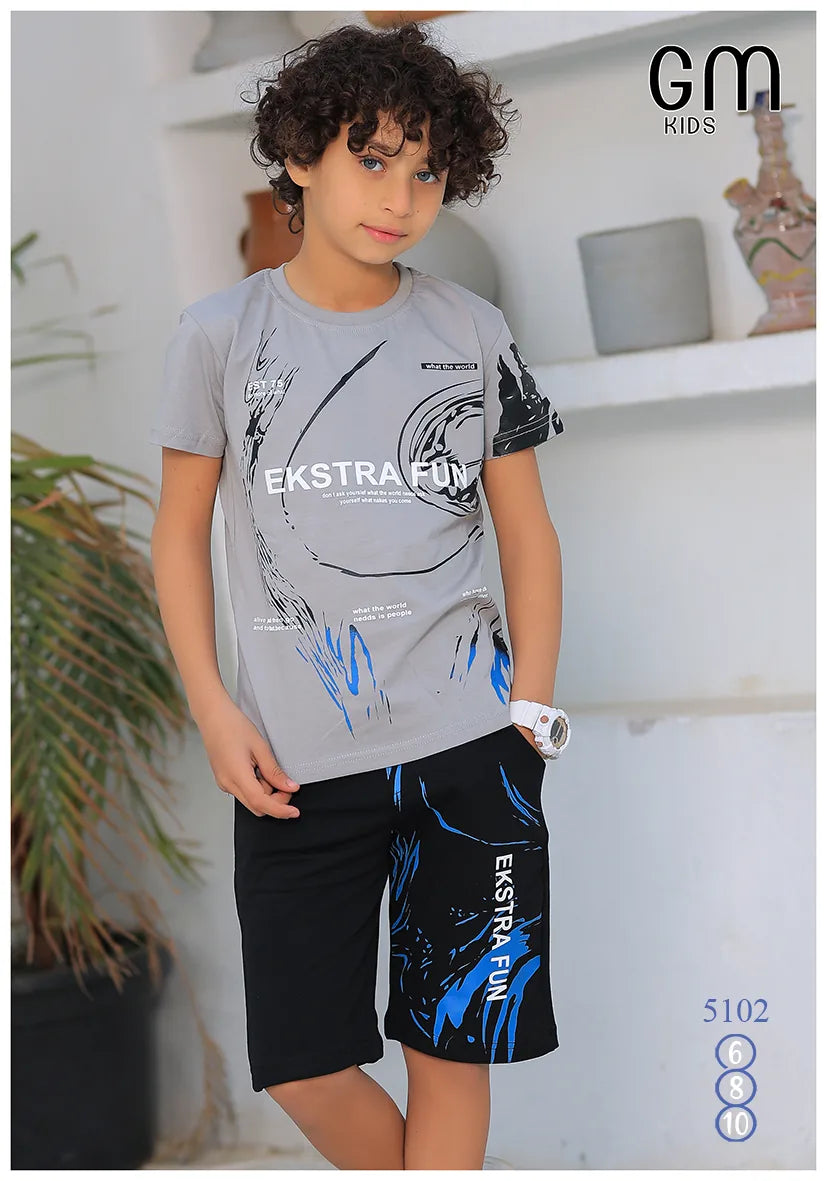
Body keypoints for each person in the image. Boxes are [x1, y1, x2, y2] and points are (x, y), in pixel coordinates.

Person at [149, 19, 569, 1171]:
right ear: (297, 154)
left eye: (426, 168)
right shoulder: (219, 336)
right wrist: (213, 708)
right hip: (293, 763)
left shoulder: (471, 331)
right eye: (371, 157)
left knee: (451, 1046)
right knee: (299, 1062)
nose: (400, 194)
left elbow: (526, 535)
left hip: (469, 746)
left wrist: (527, 712)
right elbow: (179, 534)